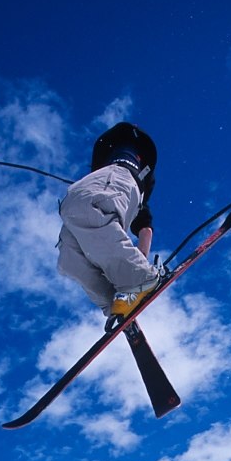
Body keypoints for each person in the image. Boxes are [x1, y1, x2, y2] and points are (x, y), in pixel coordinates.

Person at [57, 121, 160, 331]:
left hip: (121, 174)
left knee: (82, 205)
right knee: (68, 257)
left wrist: (139, 273)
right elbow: (145, 228)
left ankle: (138, 279)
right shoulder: (123, 189)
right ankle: (117, 302)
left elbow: (146, 228)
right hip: (113, 185)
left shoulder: (126, 152)